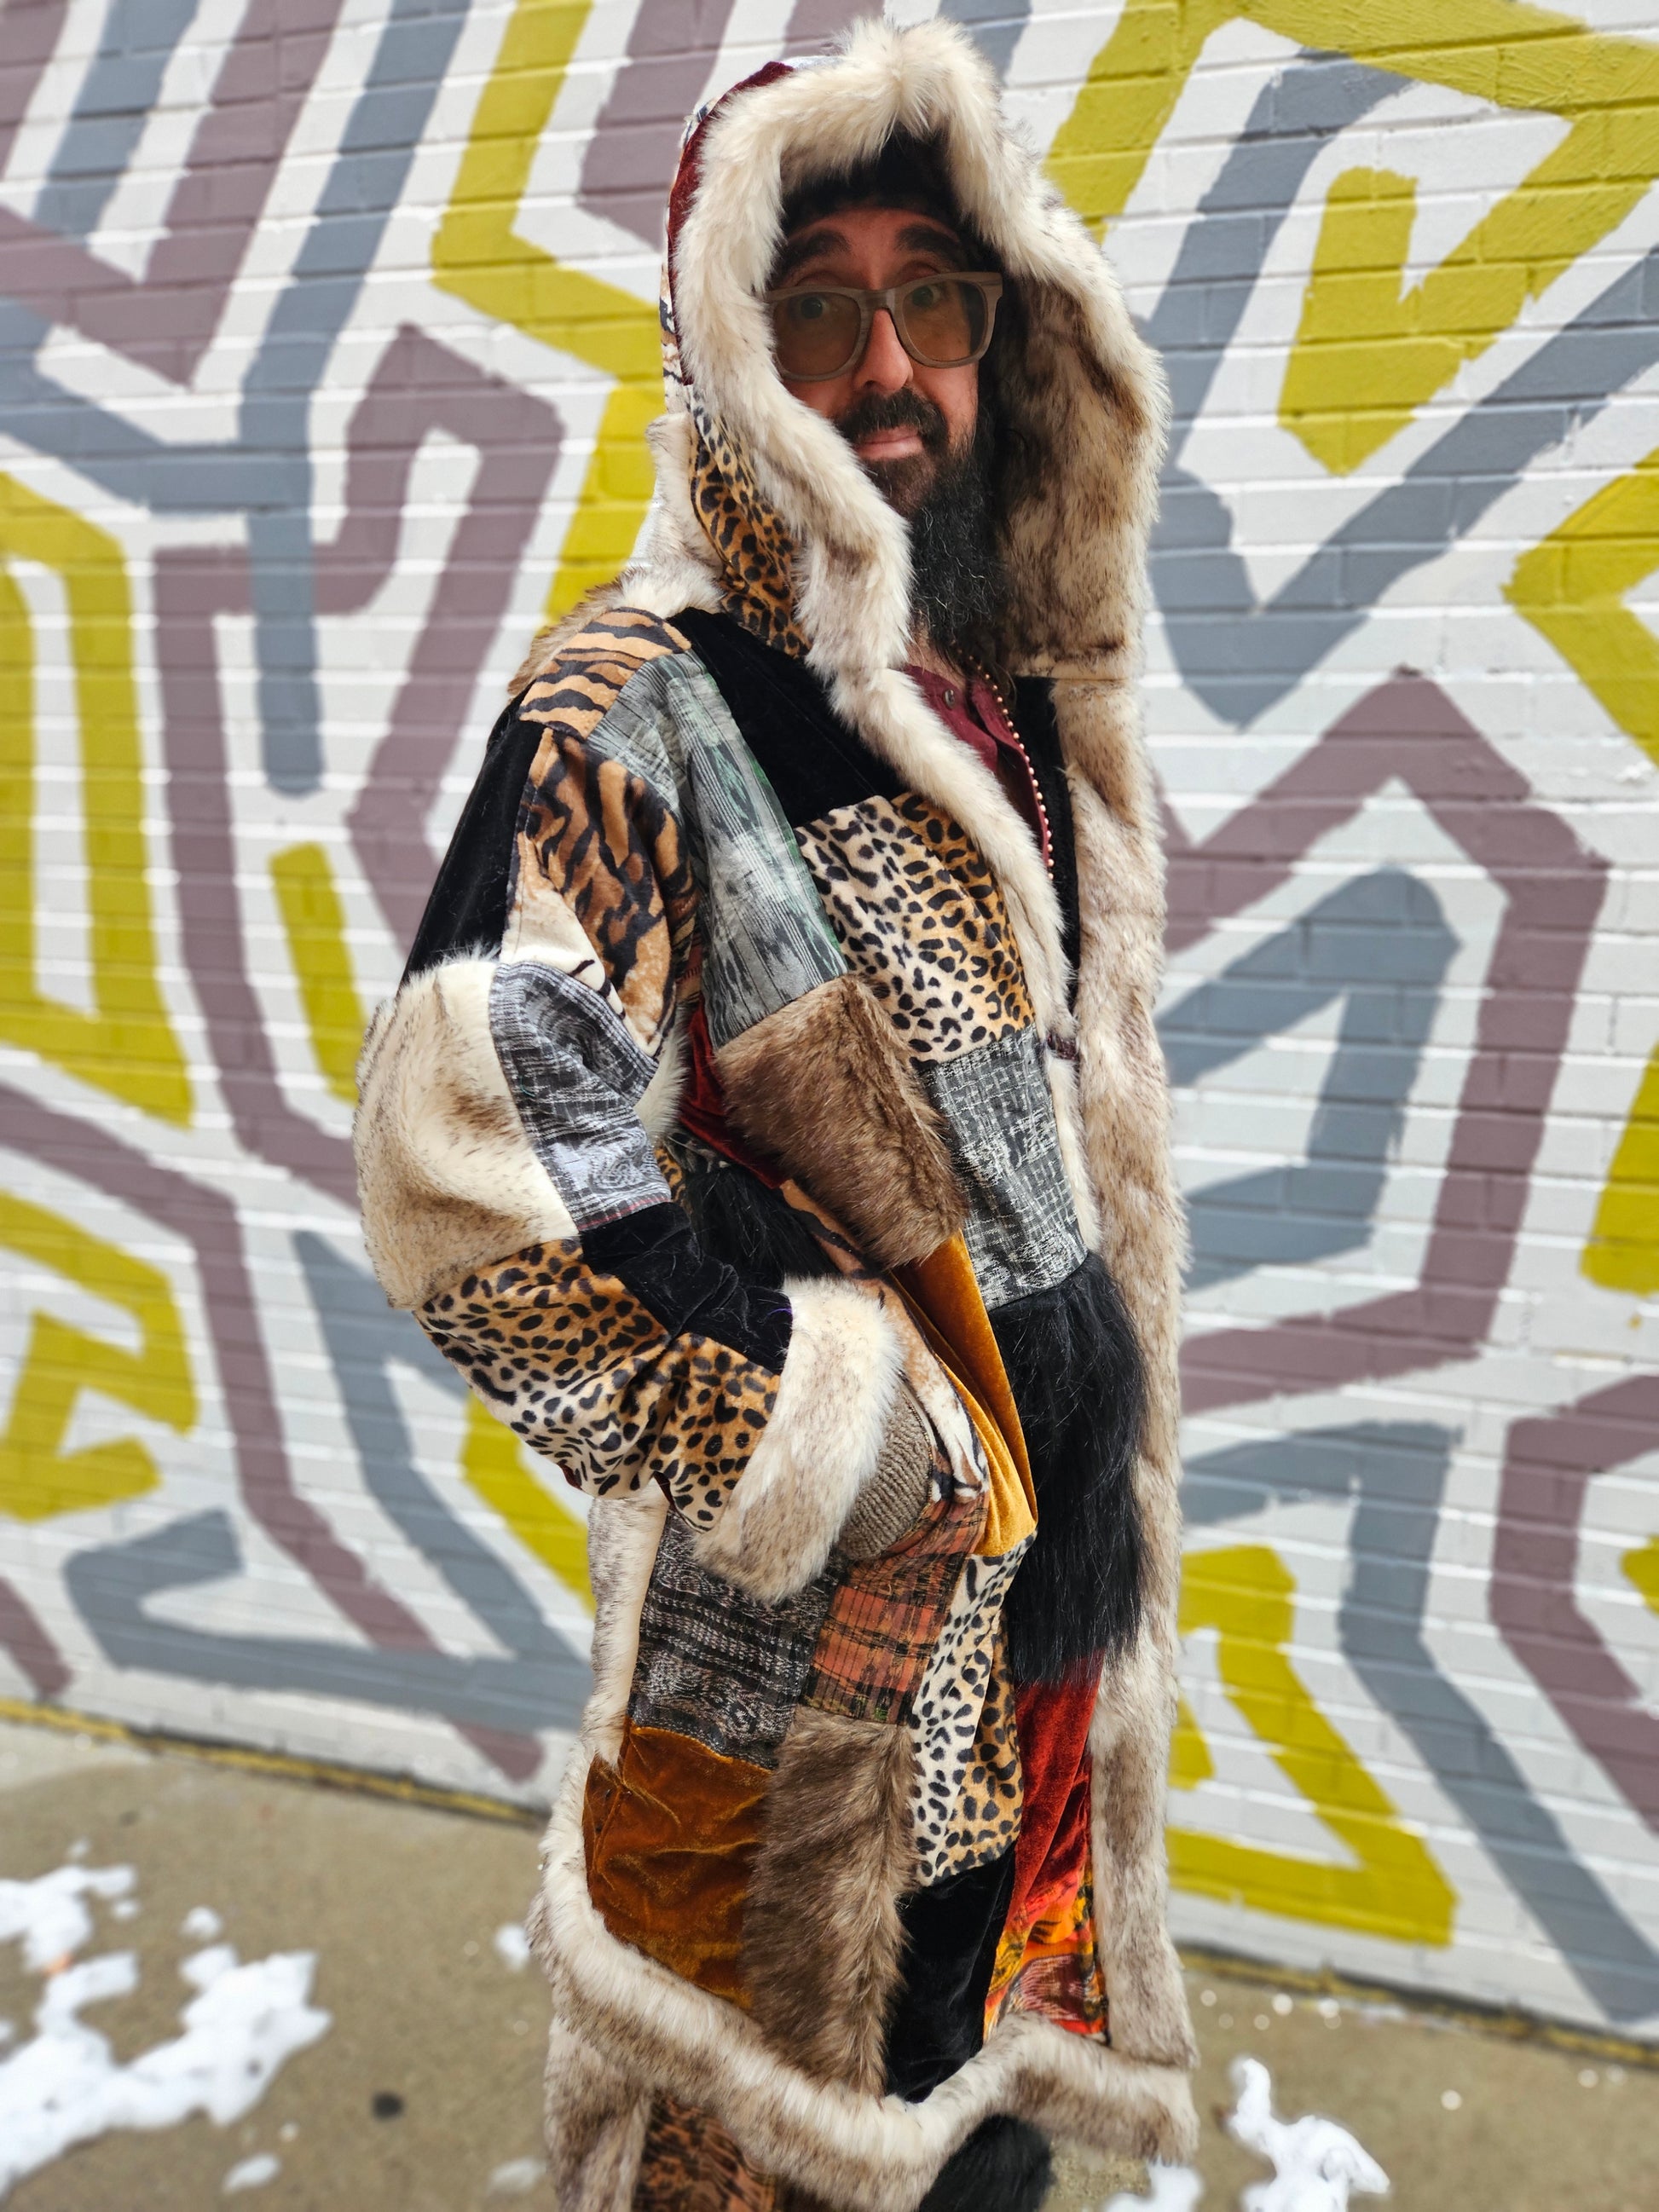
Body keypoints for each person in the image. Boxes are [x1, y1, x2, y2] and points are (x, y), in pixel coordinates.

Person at [355, 20, 1195, 2209]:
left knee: (983, 2148)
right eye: (819, 307)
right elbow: (477, 1194)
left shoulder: (997, 686)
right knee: (759, 2163)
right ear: (728, 352)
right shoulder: (636, 703)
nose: (892, 366)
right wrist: (857, 1441)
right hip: (805, 1699)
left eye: (938, 298)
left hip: (1030, 1673)